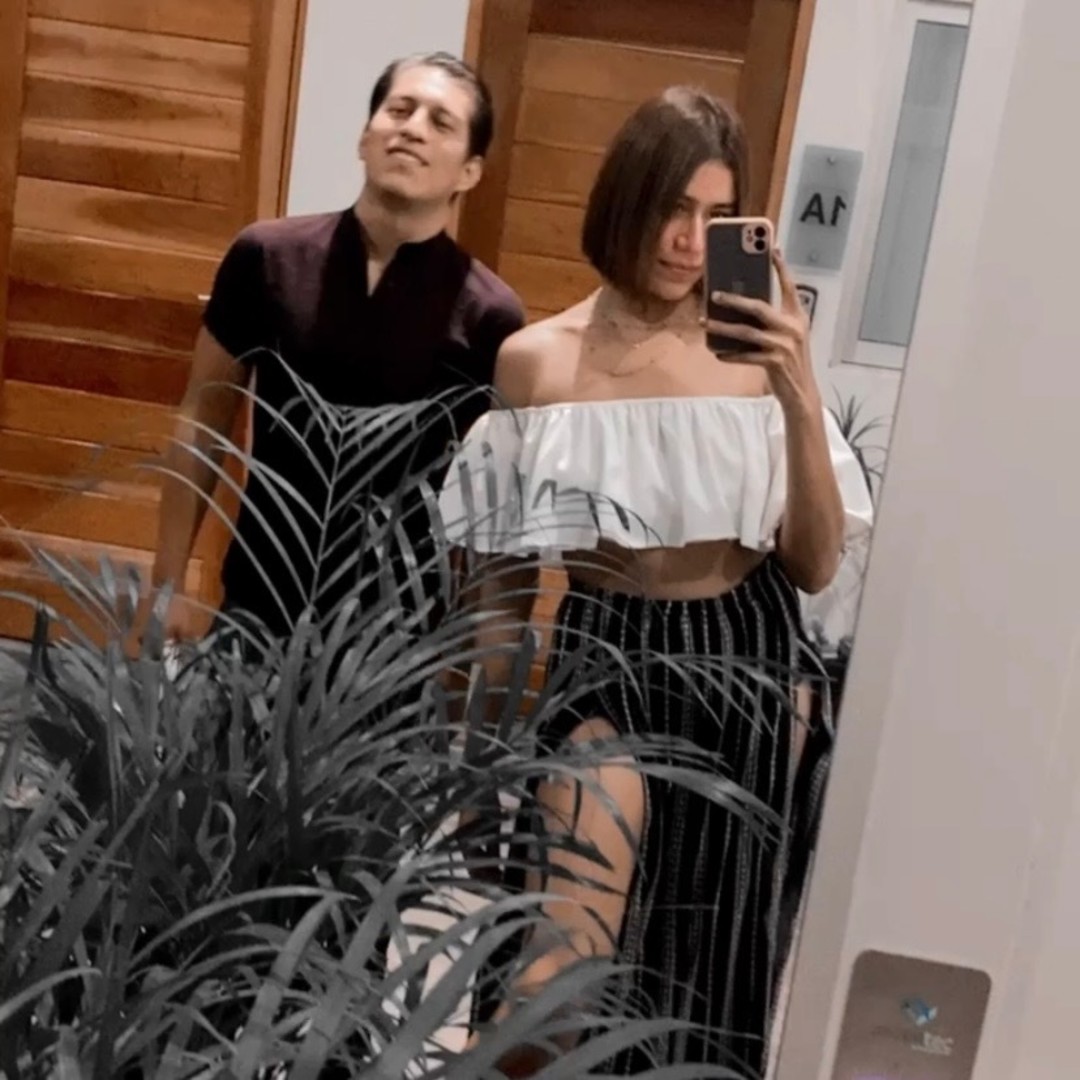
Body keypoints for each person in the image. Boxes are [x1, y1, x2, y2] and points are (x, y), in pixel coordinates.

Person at [438, 88, 874, 1073]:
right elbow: (502, 601)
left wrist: (799, 388)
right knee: (554, 972)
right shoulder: (536, 365)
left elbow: (812, 563)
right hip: (605, 656)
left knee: (695, 979)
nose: (688, 241)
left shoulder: (756, 363)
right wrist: (474, 772)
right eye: (674, 208)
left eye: (717, 216)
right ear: (624, 201)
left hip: (744, 661)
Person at [150, 52, 524, 641]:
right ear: (364, 138)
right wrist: (166, 585)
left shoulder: (490, 314)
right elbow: (204, 417)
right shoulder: (267, 256)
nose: (412, 128)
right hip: (256, 609)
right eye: (399, 110)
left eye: (440, 122)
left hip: (392, 644)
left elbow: (489, 504)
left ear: (470, 172)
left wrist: (475, 657)